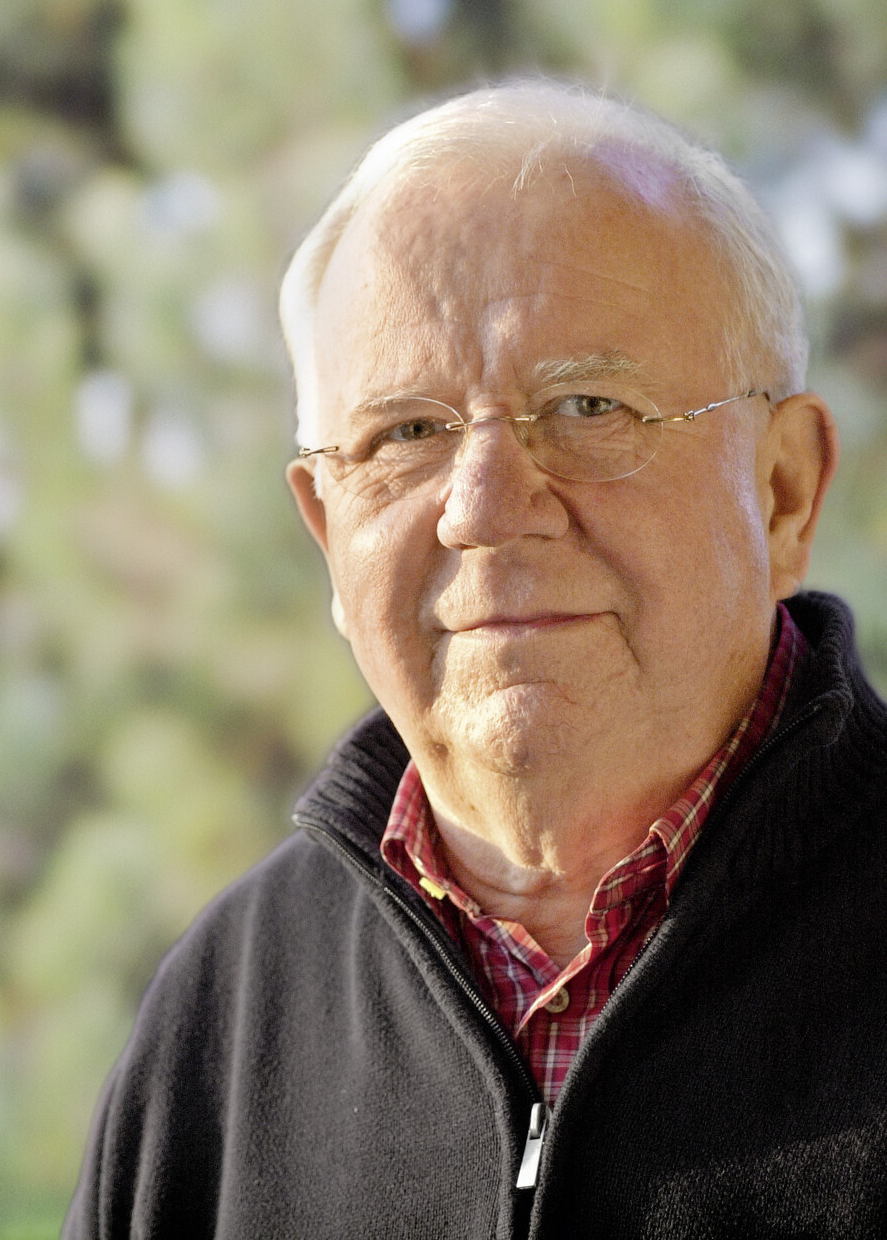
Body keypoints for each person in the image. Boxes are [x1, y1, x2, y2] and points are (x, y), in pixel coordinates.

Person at [64, 82, 887, 1240]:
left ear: (784, 489)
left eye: (588, 405)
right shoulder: (224, 1016)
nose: (487, 508)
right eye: (405, 432)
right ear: (326, 530)